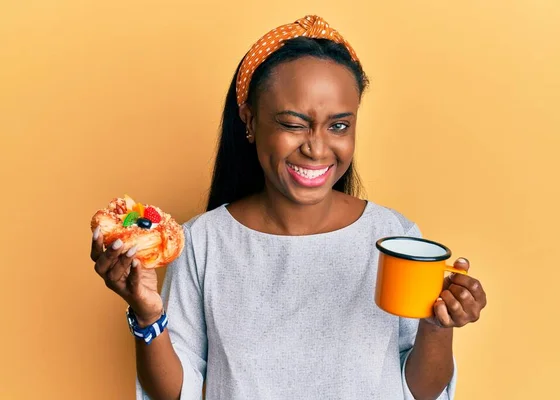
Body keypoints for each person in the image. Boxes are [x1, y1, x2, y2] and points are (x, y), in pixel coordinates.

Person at [90, 15, 487, 400]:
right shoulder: (203, 240)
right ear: (250, 120)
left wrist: (437, 326)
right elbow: (175, 393)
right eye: (294, 124)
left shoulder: (392, 236)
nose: (316, 147)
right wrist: (147, 317)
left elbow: (420, 391)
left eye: (339, 126)